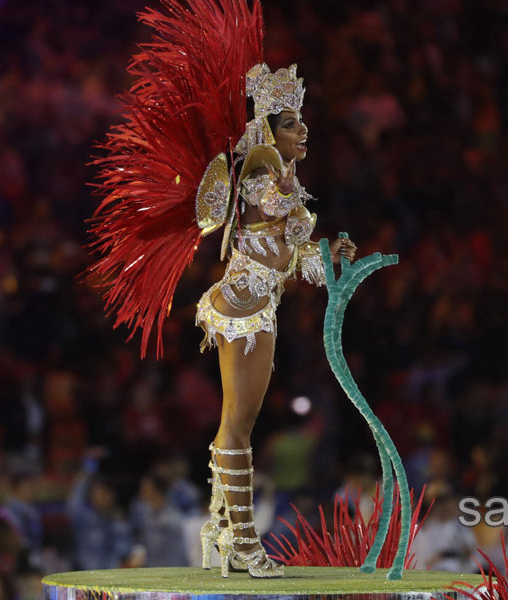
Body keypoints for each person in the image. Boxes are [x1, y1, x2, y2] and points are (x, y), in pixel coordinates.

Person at [87, 0, 356, 578]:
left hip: (259, 300)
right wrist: (290, 208)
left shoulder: (280, 173)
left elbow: (293, 255)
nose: (302, 129)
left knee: (236, 423)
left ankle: (220, 532)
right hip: (246, 305)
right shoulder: (259, 164)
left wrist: (326, 254)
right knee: (239, 425)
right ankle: (245, 544)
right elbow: (268, 204)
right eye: (291, 122)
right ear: (267, 127)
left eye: (302, 120)